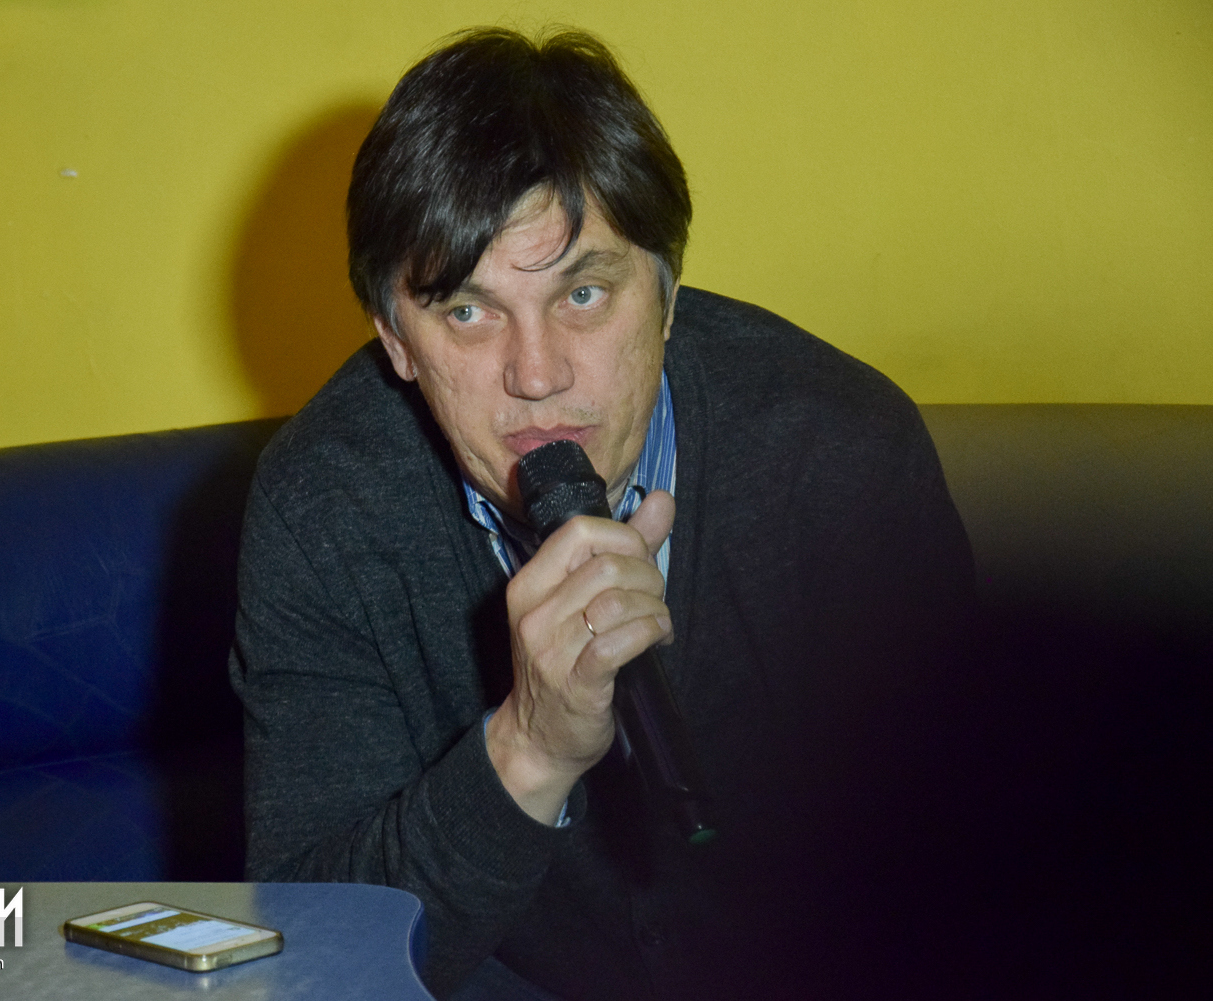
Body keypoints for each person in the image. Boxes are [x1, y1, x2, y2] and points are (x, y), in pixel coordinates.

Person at [229, 27, 975, 1001]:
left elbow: (975, 866)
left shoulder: (838, 455)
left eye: (582, 293)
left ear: (666, 295)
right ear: (396, 341)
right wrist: (528, 747)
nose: (536, 374)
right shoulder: (322, 508)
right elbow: (308, 956)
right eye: (467, 311)